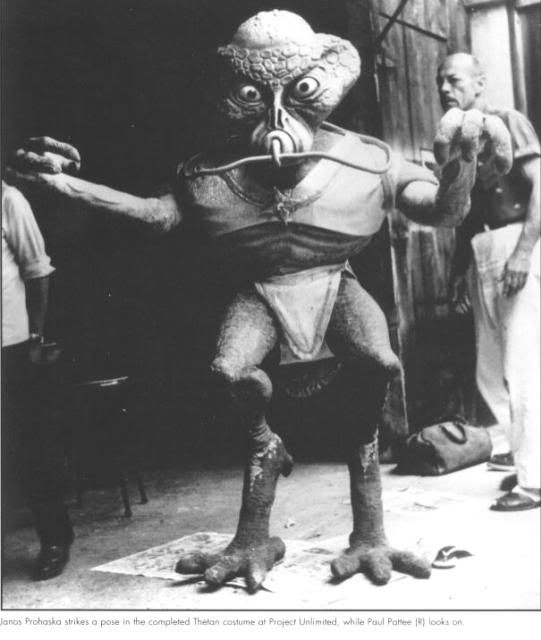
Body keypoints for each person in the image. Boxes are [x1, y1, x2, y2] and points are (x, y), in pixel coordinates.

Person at [6, 11, 513, 591]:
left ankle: (369, 530)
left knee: (377, 362)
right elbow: (156, 214)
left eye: (299, 90)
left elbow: (442, 211)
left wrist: (460, 166)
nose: (277, 117)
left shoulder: (368, 160)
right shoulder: (211, 171)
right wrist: (67, 185)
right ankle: (258, 498)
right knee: (230, 370)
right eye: (253, 94)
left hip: (333, 281)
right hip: (262, 289)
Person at [438, 53, 540, 511]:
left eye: (454, 79)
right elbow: (464, 214)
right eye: (440, 82)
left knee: (525, 366)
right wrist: (459, 271)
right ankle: (529, 461)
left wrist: (524, 251)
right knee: (490, 372)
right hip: (483, 249)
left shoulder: (507, 120)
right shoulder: (462, 139)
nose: (445, 88)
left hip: (516, 241)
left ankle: (535, 482)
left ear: (479, 82)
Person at [2, 180, 74, 579]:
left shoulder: (9, 200)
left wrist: (36, 336)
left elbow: (38, 271)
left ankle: (56, 540)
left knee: (29, 449)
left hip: (11, 346)